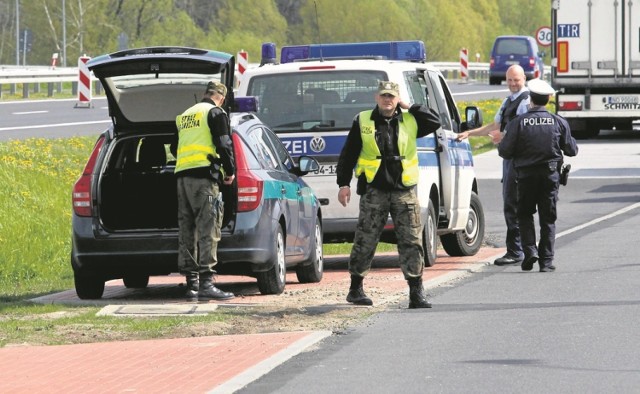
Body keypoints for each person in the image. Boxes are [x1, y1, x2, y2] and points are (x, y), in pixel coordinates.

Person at [336, 81, 441, 308]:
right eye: (384, 96)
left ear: (397, 98)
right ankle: (355, 289)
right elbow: (349, 153)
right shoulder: (363, 120)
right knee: (365, 238)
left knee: (411, 240)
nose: (387, 100)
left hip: (404, 189)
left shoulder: (410, 119)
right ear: (377, 97)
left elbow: (435, 120)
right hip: (375, 188)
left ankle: (416, 292)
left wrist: (409, 106)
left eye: (391, 97)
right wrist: (343, 184)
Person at [498, 78, 578, 272]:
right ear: (549, 99)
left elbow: (504, 151)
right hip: (550, 177)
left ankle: (530, 251)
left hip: (524, 177)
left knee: (524, 214)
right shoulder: (558, 122)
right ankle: (546, 262)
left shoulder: (518, 123)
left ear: (531, 100)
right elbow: (571, 150)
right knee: (547, 219)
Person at [456, 65, 530, 266]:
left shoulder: (525, 101)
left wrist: (503, 136)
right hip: (510, 160)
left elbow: (526, 130)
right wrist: (469, 133)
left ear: (524, 78)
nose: (513, 84)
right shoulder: (509, 101)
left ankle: (517, 251)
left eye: (517, 80)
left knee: (513, 206)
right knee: (512, 205)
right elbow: (495, 126)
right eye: (510, 80)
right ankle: (521, 249)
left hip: (520, 161)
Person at [172, 81, 236, 301]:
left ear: (205, 94)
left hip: (182, 178)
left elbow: (174, 146)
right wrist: (230, 171)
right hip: (204, 179)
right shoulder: (215, 113)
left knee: (187, 230)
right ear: (222, 97)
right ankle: (207, 283)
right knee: (209, 228)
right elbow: (224, 144)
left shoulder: (185, 116)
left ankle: (192, 285)